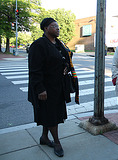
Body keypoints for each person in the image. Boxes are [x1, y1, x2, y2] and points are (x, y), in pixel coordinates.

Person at [28, 18, 79, 157]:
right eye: (54, 26)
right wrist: (40, 89)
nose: (58, 28)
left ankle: (44, 137)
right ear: (45, 28)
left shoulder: (58, 43)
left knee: (50, 113)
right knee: (51, 115)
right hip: (45, 88)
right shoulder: (39, 45)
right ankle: (57, 142)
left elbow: (67, 58)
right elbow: (35, 70)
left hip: (58, 87)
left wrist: (66, 67)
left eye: (58, 26)